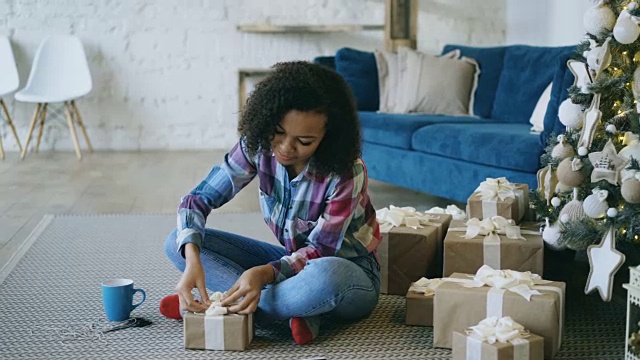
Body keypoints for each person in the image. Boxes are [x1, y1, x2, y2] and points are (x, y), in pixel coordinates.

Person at [162, 61, 381, 345]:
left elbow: (321, 251)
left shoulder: (346, 173)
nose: (286, 147)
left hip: (349, 272)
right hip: (290, 264)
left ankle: (218, 306)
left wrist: (263, 274)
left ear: (329, 137)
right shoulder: (256, 146)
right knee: (176, 243)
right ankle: (291, 311)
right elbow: (198, 199)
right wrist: (192, 261)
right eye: (278, 131)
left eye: (304, 141)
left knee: (326, 276)